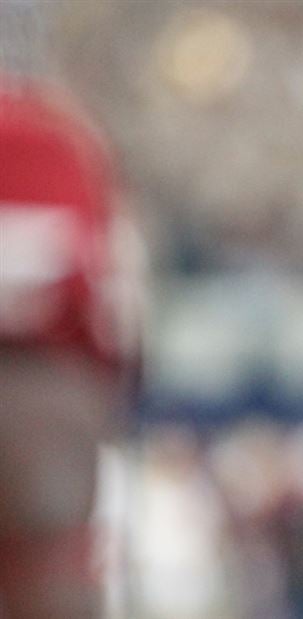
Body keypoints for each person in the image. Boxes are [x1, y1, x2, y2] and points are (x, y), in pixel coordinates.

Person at [0, 74, 139, 618]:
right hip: (52, 385)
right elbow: (107, 291)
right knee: (52, 574)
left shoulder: (57, 136)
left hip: (50, 382)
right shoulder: (60, 136)